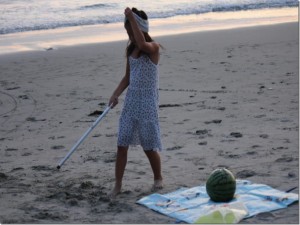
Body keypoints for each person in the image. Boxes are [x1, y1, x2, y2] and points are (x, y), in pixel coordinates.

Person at [108, 7, 163, 198]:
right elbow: (127, 78)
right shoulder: (131, 51)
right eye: (127, 31)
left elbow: (141, 41)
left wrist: (131, 17)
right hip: (131, 102)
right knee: (121, 143)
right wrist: (115, 94)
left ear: (139, 28)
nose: (130, 35)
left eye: (131, 30)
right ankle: (118, 184)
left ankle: (158, 177)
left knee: (149, 146)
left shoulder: (153, 48)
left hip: (148, 103)